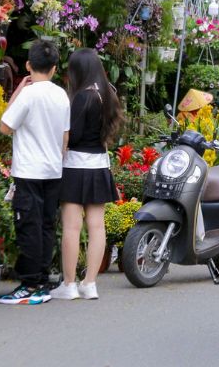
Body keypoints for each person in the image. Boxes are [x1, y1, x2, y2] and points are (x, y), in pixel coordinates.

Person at [0, 40, 71, 305]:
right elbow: (65, 136)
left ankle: (29, 284)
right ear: (54, 68)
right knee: (45, 225)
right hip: (53, 170)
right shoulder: (61, 95)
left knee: (28, 225)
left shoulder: (28, 94)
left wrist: (17, 90)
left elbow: (5, 127)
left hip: (29, 170)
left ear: (29, 65)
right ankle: (41, 279)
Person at [51, 48, 125, 301]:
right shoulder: (108, 95)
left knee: (72, 227)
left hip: (75, 167)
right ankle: (90, 283)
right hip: (98, 166)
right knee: (97, 227)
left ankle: (69, 284)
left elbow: (75, 136)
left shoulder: (82, 97)